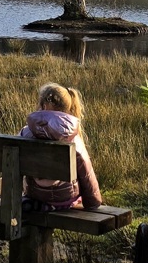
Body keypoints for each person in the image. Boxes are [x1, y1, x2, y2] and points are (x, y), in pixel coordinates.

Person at [20, 83, 102, 211]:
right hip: (64, 198)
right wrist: (93, 203)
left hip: (34, 194)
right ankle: (52, 205)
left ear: (44, 106)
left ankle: (37, 204)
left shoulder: (25, 132)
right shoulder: (74, 139)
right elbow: (86, 173)